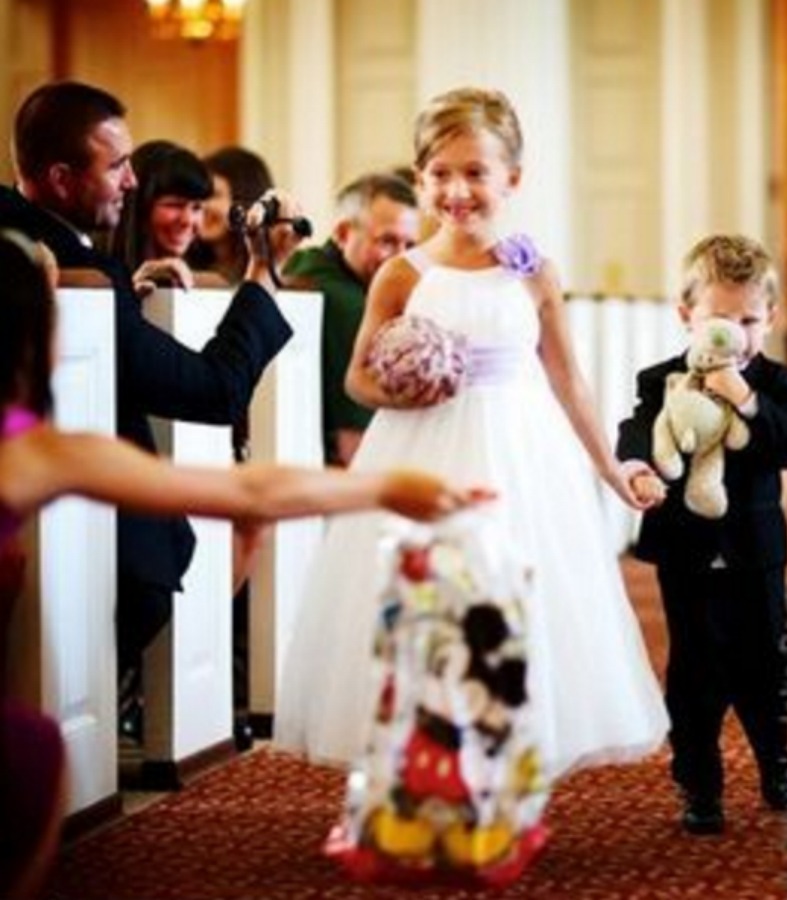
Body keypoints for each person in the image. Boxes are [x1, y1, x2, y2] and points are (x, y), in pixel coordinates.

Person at [0, 228, 482, 899]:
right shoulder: (32, 454)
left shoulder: (34, 449)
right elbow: (250, 490)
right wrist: (387, 488)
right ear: (28, 337)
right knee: (31, 755)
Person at [275, 87, 669, 785]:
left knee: (516, 601)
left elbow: (568, 380)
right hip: (421, 452)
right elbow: (357, 381)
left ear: (512, 178)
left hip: (521, 455)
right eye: (439, 173)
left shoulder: (533, 271)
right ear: (420, 179)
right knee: (424, 602)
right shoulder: (403, 274)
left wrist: (612, 471)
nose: (456, 189)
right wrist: (404, 384)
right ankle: (430, 762)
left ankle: (506, 766)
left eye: (475, 172)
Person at [0, 81, 296, 745]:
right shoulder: (80, 273)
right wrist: (259, 273)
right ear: (59, 177)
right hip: (76, 516)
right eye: (116, 166)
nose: (131, 181)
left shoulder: (28, 241)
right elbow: (212, 393)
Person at [617, 234, 787, 834]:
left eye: (750, 319)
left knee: (767, 671)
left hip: (756, 555)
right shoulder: (660, 378)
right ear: (686, 315)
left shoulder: (775, 383)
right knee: (694, 673)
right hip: (686, 551)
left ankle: (777, 766)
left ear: (770, 318)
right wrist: (638, 467)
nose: (736, 333)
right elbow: (638, 429)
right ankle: (700, 786)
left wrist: (743, 398)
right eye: (721, 318)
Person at [282, 172, 420, 466]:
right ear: (343, 233)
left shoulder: (303, 262)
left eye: (410, 245)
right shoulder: (351, 306)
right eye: (387, 241)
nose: (400, 260)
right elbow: (354, 446)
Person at [108, 139, 212, 296]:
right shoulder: (102, 277)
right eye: (174, 205)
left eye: (197, 207)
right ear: (139, 207)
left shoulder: (208, 280)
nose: (188, 220)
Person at [189, 145, 275, 285]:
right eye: (199, 195)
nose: (200, 206)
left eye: (214, 195)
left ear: (246, 201)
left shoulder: (278, 271)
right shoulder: (186, 266)